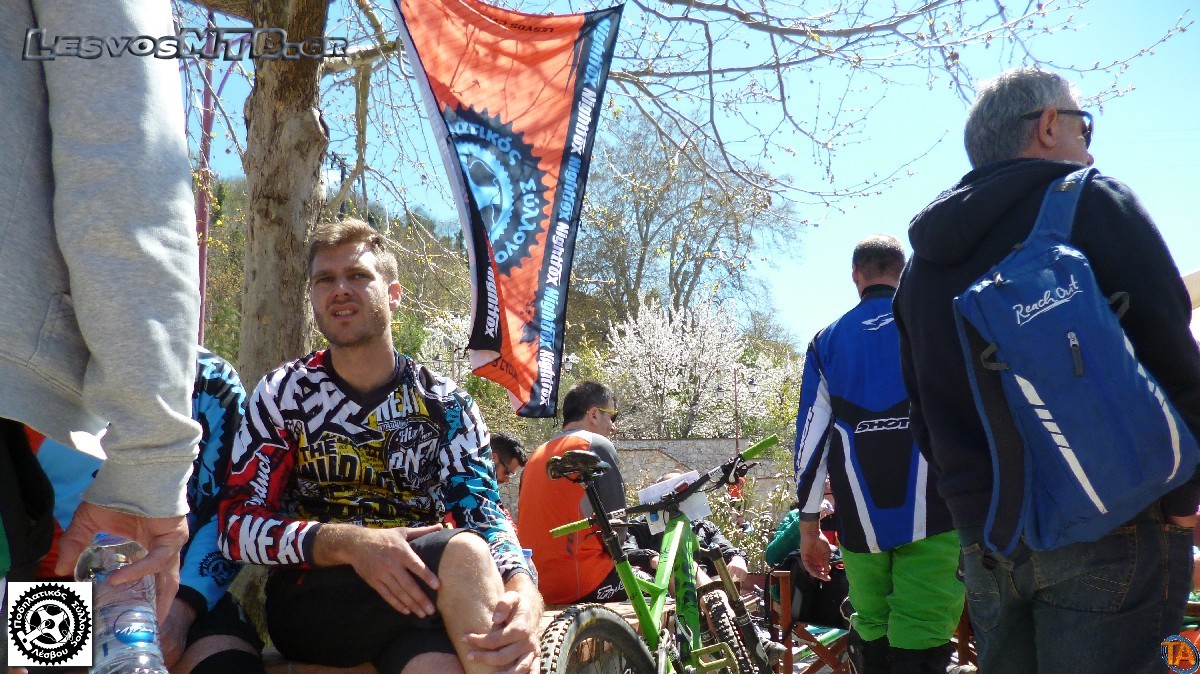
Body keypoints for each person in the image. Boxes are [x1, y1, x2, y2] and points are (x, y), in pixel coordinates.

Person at [893, 67, 1200, 672]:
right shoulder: (1092, 204)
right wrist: (1186, 497)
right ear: (1049, 125)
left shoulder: (918, 272)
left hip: (987, 540)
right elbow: (1172, 353)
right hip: (1117, 520)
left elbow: (923, 416)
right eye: (1084, 126)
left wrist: (972, 509)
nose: (1090, 145)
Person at [217, 219, 541, 674]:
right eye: (324, 280)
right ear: (312, 298)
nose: (340, 290)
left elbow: (483, 513)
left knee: (439, 665)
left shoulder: (445, 405)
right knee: (465, 554)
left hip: (423, 593)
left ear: (393, 294)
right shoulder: (283, 395)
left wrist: (524, 586)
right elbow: (236, 526)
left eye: (358, 275)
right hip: (315, 600)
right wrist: (352, 545)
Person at [0, 0, 200, 623]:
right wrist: (149, 465)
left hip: (69, 561)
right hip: (59, 543)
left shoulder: (214, 383)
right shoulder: (133, 375)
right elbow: (125, 163)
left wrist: (189, 612)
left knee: (51, 650)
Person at [35, 348, 263, 673]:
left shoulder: (210, 377)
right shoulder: (22, 377)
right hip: (49, 596)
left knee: (228, 665)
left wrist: (182, 611)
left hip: (178, 586)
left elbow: (231, 508)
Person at [794, 235, 962, 673]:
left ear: (856, 275)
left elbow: (810, 443)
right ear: (902, 272)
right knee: (923, 628)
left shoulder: (826, 341)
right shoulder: (934, 323)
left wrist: (809, 527)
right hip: (935, 513)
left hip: (859, 520)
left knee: (870, 623)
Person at [517, 381, 627, 604]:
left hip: (537, 585)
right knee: (661, 574)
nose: (613, 427)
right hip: (584, 582)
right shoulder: (596, 445)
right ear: (594, 414)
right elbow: (618, 529)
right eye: (612, 416)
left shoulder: (535, 456)